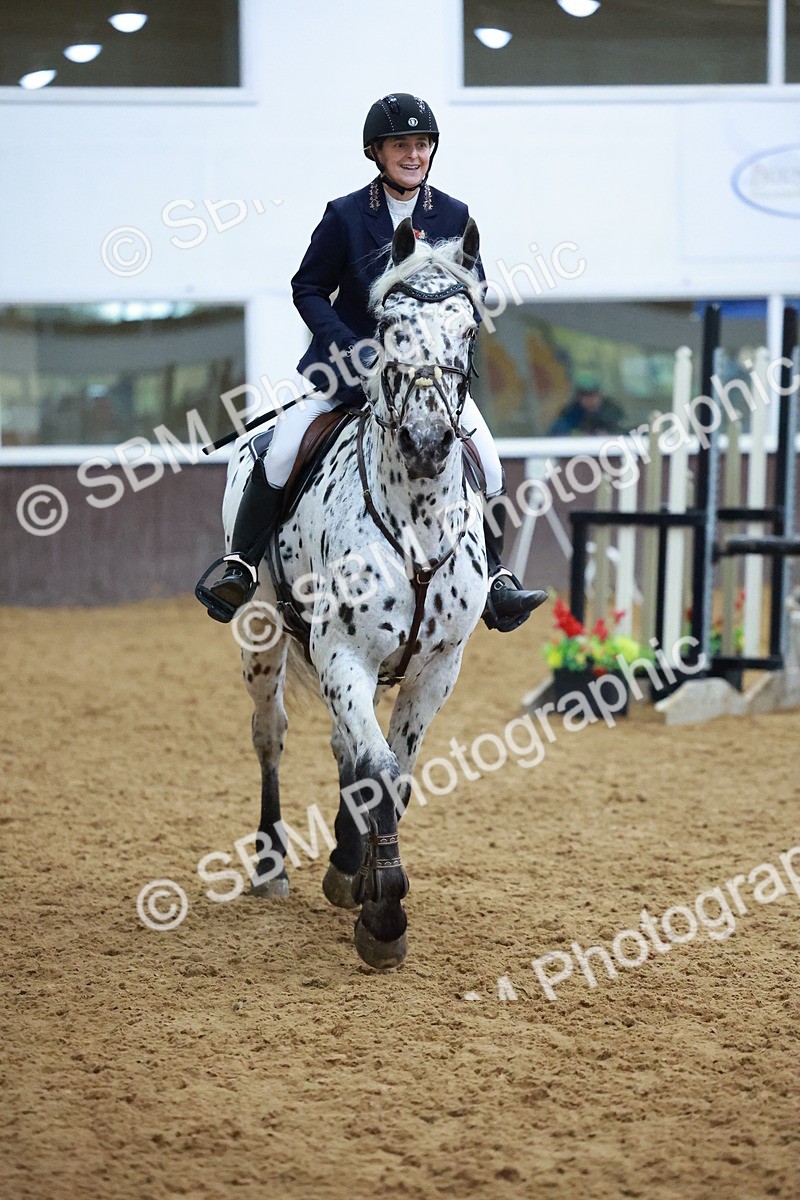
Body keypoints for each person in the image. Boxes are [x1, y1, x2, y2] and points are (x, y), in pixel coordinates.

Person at [197, 93, 547, 631]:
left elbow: (469, 293)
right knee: (283, 449)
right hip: (345, 373)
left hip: (425, 379)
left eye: (422, 144)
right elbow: (307, 287)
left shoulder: (454, 215)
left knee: (491, 462)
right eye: (401, 145)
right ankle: (241, 566)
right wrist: (349, 347)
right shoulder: (344, 215)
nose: (413, 154)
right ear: (376, 152)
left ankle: (496, 578)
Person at [548, 379, 625, 436]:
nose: (591, 400)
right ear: (579, 398)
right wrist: (581, 435)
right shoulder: (570, 413)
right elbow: (557, 434)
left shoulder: (612, 410)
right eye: (586, 396)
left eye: (594, 396)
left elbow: (624, 431)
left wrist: (608, 434)